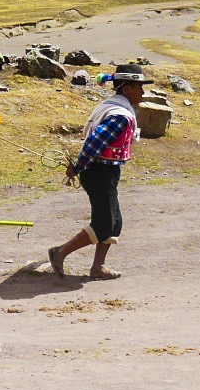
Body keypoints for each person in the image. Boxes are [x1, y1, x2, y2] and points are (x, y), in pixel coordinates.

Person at [50, 67, 145, 279]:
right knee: (104, 223)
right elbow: (95, 142)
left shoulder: (111, 106)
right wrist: (77, 167)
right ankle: (60, 252)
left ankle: (98, 267)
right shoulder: (120, 116)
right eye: (139, 88)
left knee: (114, 222)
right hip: (100, 172)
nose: (142, 93)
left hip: (105, 172)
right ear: (127, 88)